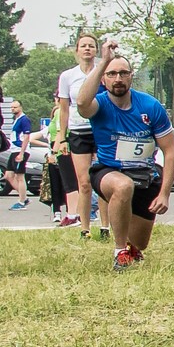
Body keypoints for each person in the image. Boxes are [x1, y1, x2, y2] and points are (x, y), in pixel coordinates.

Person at [73, 42, 174, 270]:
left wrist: (165, 194)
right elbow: (81, 103)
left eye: (123, 73)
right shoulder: (98, 105)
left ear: (131, 76)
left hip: (144, 174)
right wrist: (103, 62)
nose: (118, 79)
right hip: (108, 171)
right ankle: (119, 251)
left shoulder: (150, 106)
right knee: (123, 186)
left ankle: (130, 246)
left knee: (140, 243)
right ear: (103, 79)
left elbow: (170, 151)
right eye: (111, 74)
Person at [56, 33, 99, 239]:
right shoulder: (67, 76)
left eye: (91, 45)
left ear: (96, 50)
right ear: (77, 50)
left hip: (100, 130)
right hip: (78, 131)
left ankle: (106, 225)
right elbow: (64, 109)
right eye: (84, 46)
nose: (87, 49)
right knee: (84, 182)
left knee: (103, 179)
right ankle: (85, 227)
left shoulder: (102, 72)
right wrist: (61, 136)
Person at [4, 98, 36, 207]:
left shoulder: (24, 119)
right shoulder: (16, 120)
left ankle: (22, 201)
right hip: (14, 150)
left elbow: (26, 136)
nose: (13, 109)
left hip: (20, 150)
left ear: (20, 107)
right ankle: (24, 197)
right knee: (8, 175)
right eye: (11, 107)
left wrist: (22, 153)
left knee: (19, 176)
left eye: (15, 107)